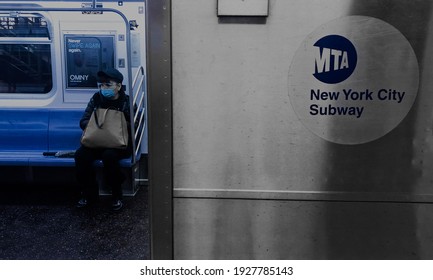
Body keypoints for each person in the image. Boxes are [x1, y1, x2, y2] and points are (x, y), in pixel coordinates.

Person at [75, 68, 133, 211]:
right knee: (81, 155)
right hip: (96, 142)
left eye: (108, 85)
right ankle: (89, 194)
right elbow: (83, 121)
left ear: (118, 86)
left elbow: (136, 123)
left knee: (109, 156)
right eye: (101, 85)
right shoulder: (96, 99)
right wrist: (96, 125)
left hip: (118, 144)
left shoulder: (126, 102)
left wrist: (117, 124)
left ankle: (116, 194)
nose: (104, 88)